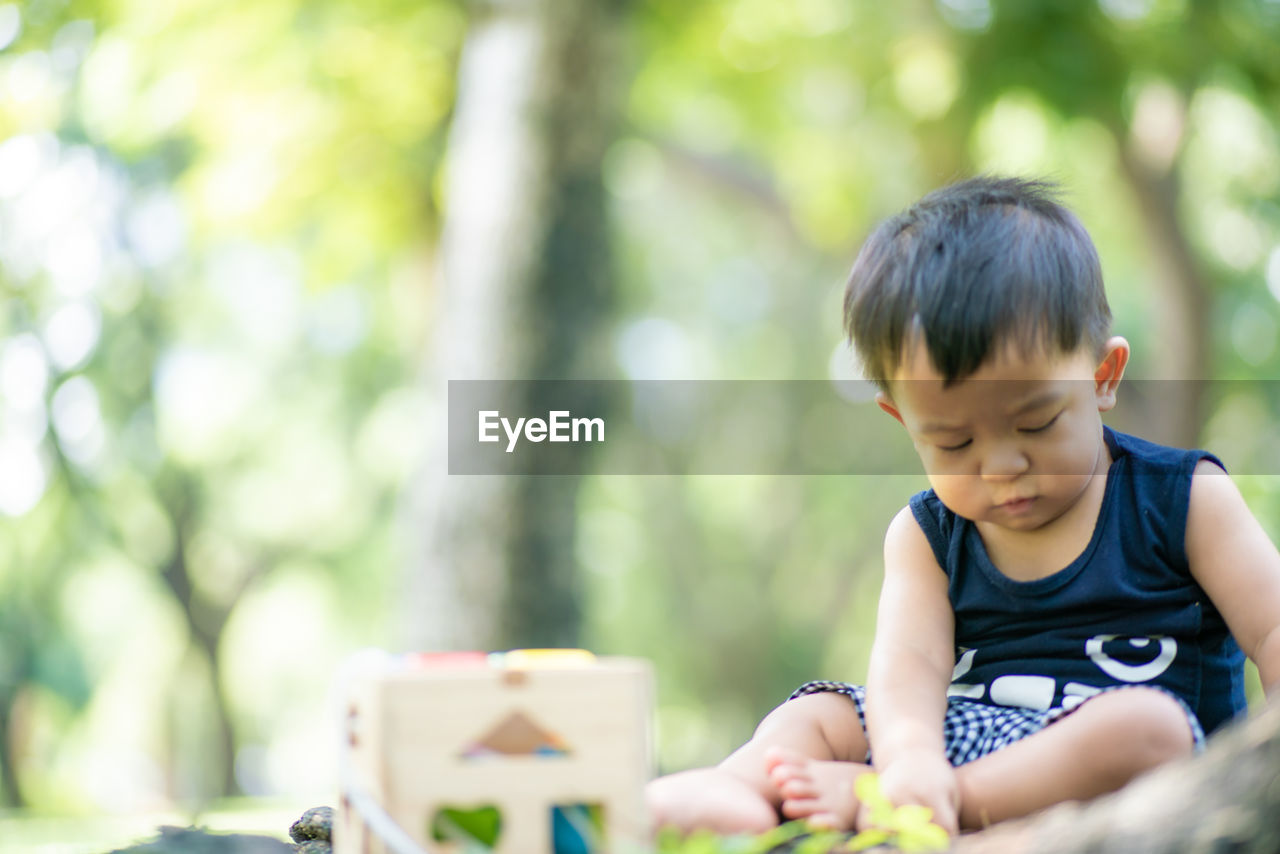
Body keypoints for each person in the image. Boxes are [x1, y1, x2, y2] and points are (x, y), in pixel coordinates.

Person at [645, 175, 1280, 838]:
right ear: (904, 421)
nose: (1002, 465)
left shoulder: (1183, 500)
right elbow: (910, 665)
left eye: (1036, 424)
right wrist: (910, 760)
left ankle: (909, 817)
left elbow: (1270, 631)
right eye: (953, 441)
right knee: (820, 716)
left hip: (1110, 760)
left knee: (1145, 727)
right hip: (957, 740)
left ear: (1103, 378)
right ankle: (735, 796)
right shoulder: (927, 535)